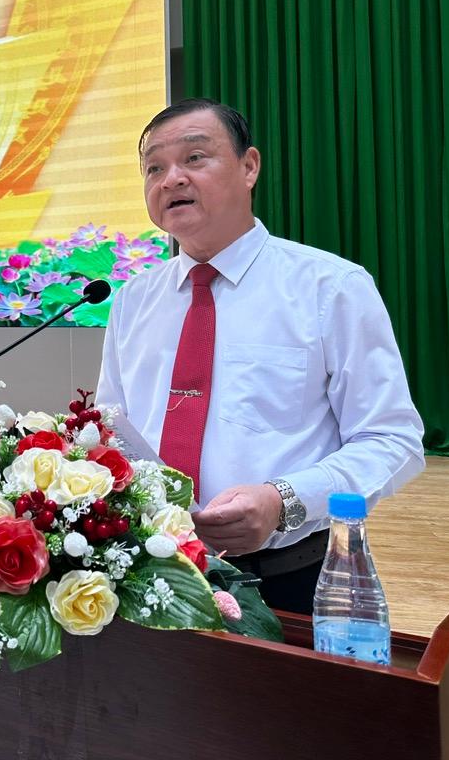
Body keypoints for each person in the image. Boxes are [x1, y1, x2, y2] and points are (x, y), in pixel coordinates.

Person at [96, 98, 425, 614]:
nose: (171, 179)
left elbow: (393, 440)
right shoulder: (133, 299)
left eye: (194, 158)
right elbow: (111, 427)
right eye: (154, 168)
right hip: (146, 575)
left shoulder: (330, 287)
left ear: (249, 166)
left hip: (287, 580)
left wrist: (284, 501)